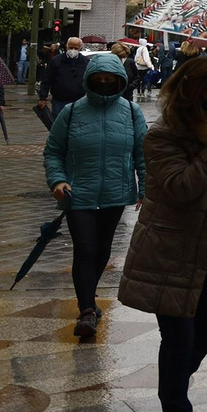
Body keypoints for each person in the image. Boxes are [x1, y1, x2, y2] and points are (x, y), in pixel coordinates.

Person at [117, 55, 207, 412]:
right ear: (193, 91)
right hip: (170, 253)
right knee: (179, 338)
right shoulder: (163, 135)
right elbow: (180, 186)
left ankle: (172, 386)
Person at [43, 52, 147, 338]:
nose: (103, 83)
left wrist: (146, 187)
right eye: (98, 79)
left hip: (116, 193)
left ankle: (89, 297)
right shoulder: (72, 111)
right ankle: (87, 309)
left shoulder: (131, 112)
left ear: (119, 81)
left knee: (102, 250)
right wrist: (58, 179)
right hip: (79, 194)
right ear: (89, 81)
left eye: (109, 80)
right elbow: (53, 151)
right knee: (86, 249)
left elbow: (142, 152)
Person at [38, 37, 91, 114]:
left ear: (80, 48)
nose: (73, 50)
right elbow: (47, 79)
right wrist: (42, 98)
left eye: (76, 48)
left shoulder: (86, 62)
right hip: (59, 101)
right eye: (71, 47)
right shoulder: (56, 61)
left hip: (79, 101)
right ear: (66, 46)